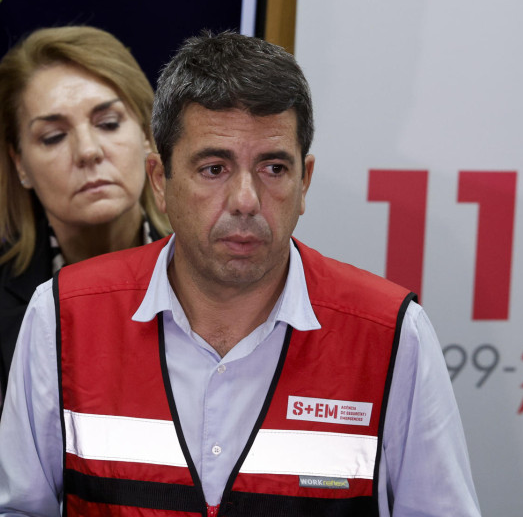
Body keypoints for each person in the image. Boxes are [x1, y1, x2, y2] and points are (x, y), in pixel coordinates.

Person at [0, 31, 481, 516]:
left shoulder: (391, 334)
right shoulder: (61, 315)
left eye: (273, 168)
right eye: (214, 168)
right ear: (161, 180)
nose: (246, 201)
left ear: (304, 182)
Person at [0, 26, 171, 405]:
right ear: (20, 164)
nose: (88, 151)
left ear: (147, 134)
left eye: (108, 124)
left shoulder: (215, 271)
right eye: (53, 136)